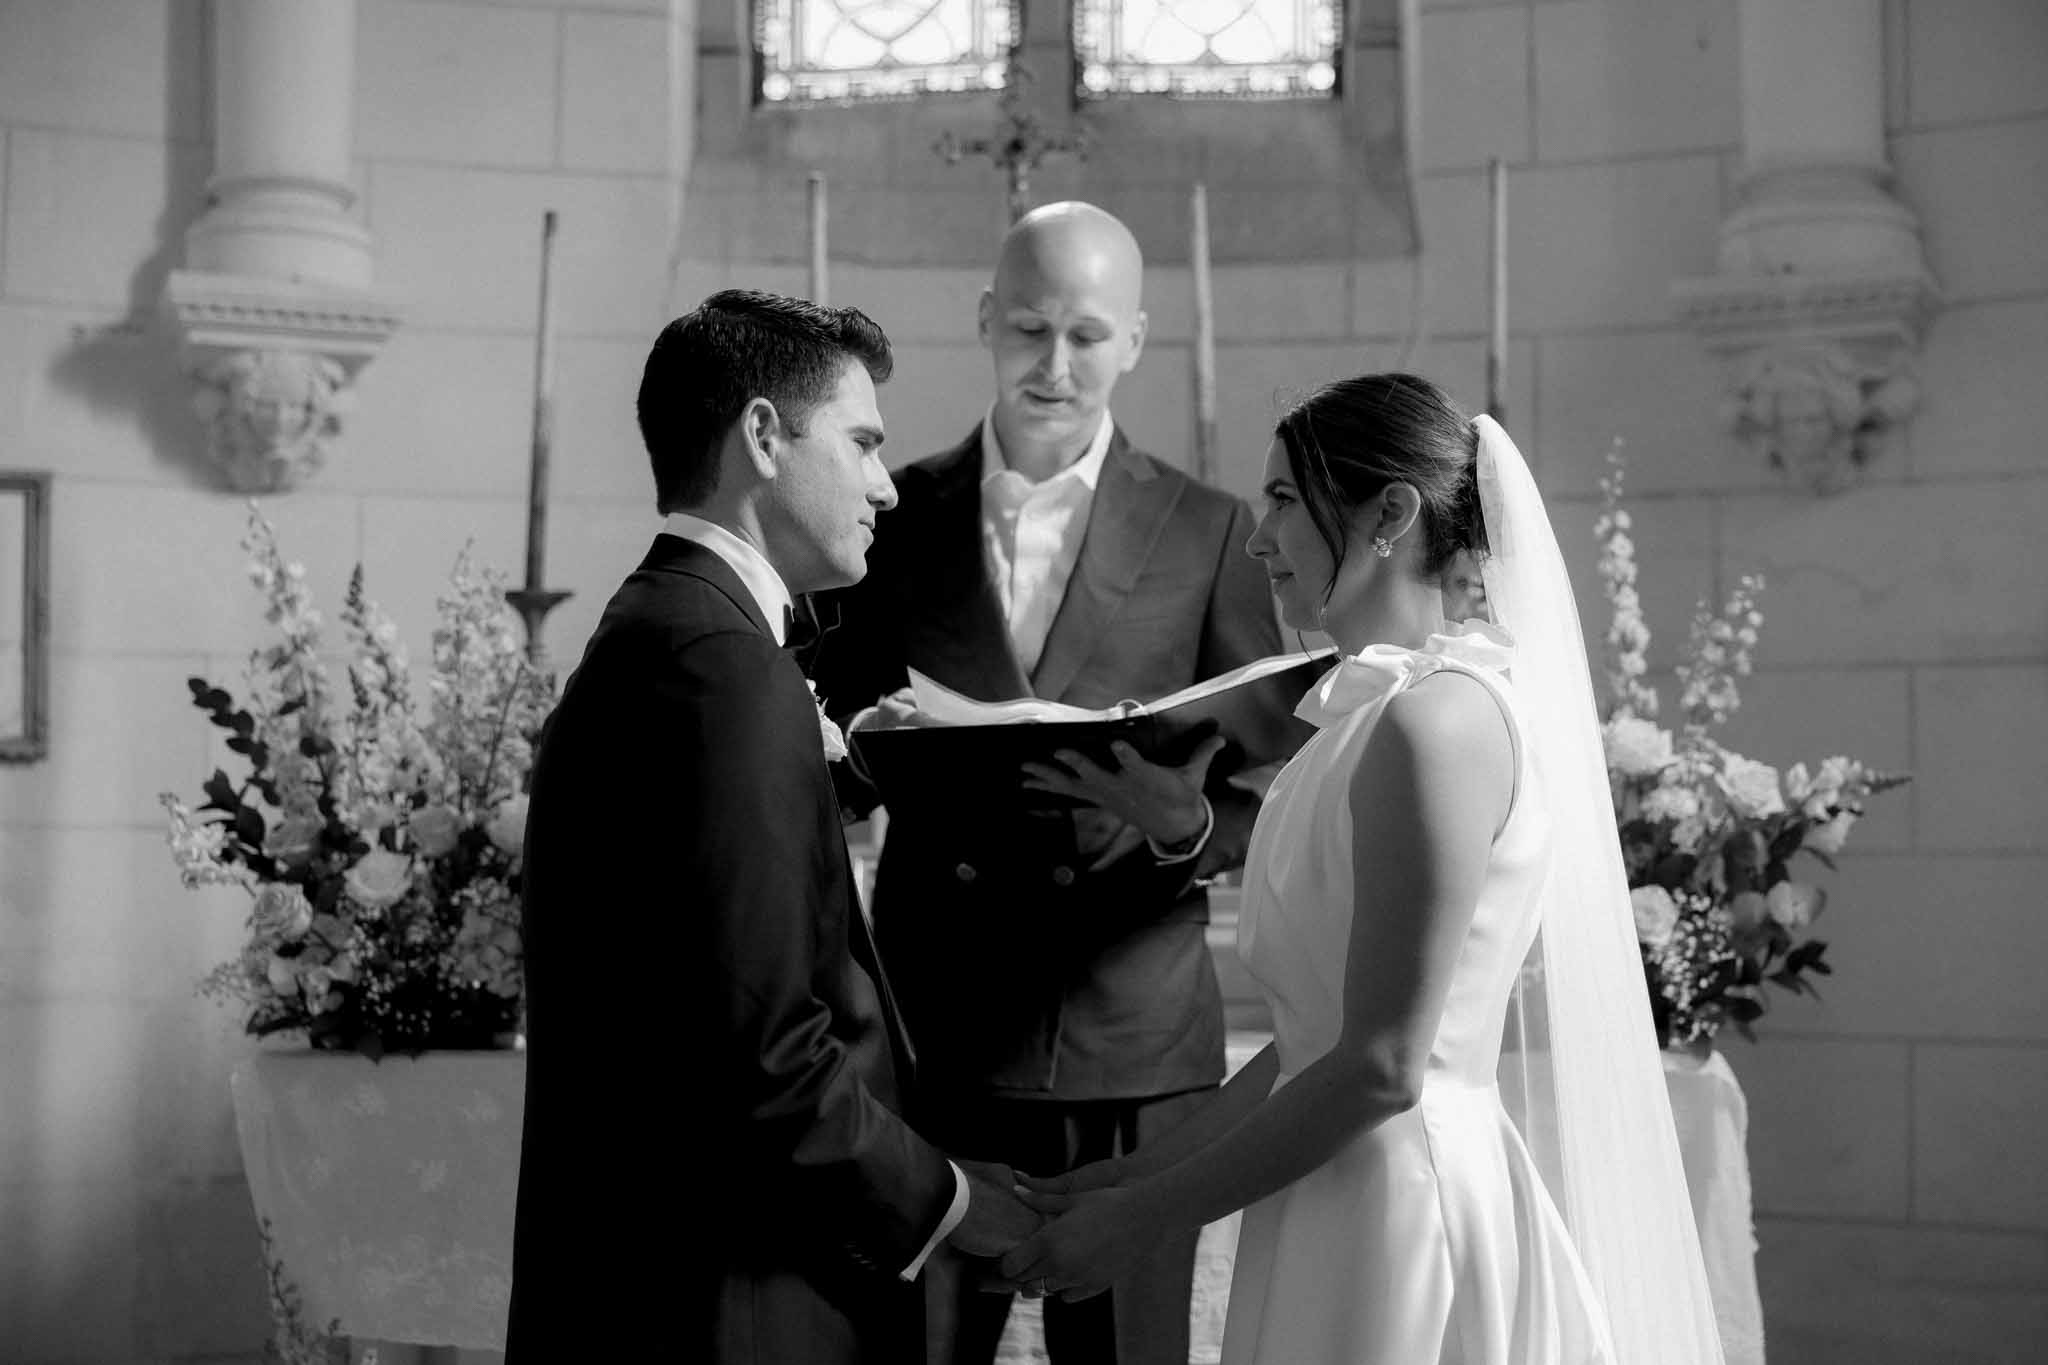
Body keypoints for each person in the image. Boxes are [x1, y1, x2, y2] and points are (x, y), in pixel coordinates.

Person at [998, 374, 1726, 1364]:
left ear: (1389, 514)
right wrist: (1128, 1182)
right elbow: (1310, 1042)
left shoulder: (1440, 721)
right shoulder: (1369, 720)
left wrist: (1145, 1220)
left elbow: (1381, 1068)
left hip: (1404, 1208)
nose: (1257, 541)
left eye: (1283, 500)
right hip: (1334, 1185)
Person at [808, 202, 1305, 1365]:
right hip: (934, 1034)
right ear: (986, 320)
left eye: (1086, 335)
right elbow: (825, 762)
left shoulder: (1207, 528)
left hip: (1132, 1043)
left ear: (1135, 339)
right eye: (1030, 329)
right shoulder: (886, 516)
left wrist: (1188, 823)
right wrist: (862, 747)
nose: (1055, 365)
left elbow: (1272, 777)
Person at [506, 290, 1037, 1365]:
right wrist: (952, 1203)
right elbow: (765, 1053)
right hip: (727, 1299)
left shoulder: (661, 629)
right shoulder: (727, 671)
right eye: (861, 443)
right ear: (761, 435)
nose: (886, 485)